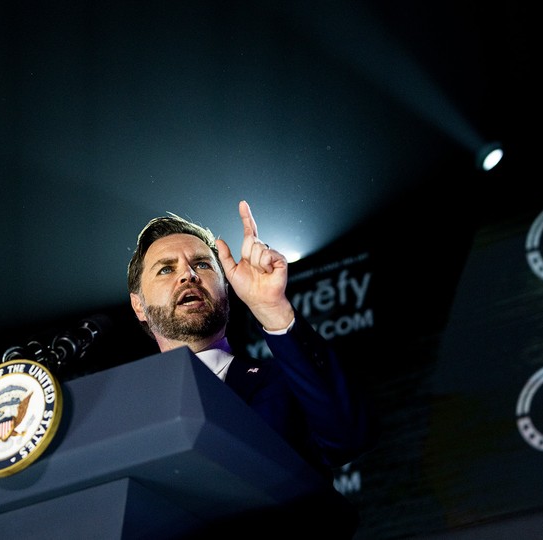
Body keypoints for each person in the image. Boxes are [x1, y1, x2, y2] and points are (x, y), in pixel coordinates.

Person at [127, 200, 377, 537]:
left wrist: (271, 308)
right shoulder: (127, 417)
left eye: (202, 264)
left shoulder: (283, 382)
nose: (188, 274)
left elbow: (349, 436)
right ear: (138, 305)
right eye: (166, 269)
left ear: (226, 289)